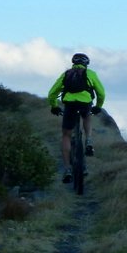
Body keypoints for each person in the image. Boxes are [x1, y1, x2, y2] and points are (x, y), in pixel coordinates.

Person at [48, 53, 106, 183]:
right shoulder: (91, 74)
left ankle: (67, 169)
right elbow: (101, 93)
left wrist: (54, 106)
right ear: (87, 63)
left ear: (73, 62)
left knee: (66, 135)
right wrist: (98, 106)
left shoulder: (66, 74)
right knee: (87, 117)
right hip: (85, 103)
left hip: (70, 105)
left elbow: (52, 93)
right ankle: (89, 141)